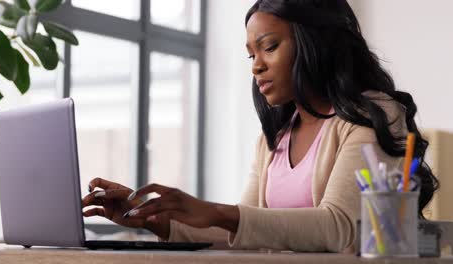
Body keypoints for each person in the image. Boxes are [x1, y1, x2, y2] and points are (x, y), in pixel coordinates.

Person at [82, 0, 439, 252]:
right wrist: (150, 217)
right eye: (251, 54)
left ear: (313, 42)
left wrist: (219, 211)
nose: (256, 66)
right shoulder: (274, 140)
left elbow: (338, 227)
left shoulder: (373, 114)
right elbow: (242, 233)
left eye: (269, 47)